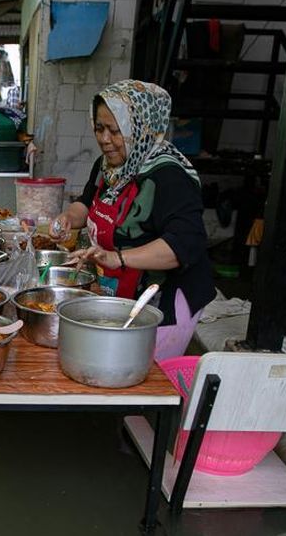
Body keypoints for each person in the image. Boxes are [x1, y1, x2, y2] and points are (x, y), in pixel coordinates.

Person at [54, 80, 215, 360]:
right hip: (123, 289)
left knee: (147, 375)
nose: (104, 139)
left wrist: (119, 257)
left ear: (140, 128)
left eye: (115, 131)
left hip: (165, 300)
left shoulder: (169, 177)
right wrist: (69, 217)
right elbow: (88, 201)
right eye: (99, 128)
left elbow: (183, 245)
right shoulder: (109, 165)